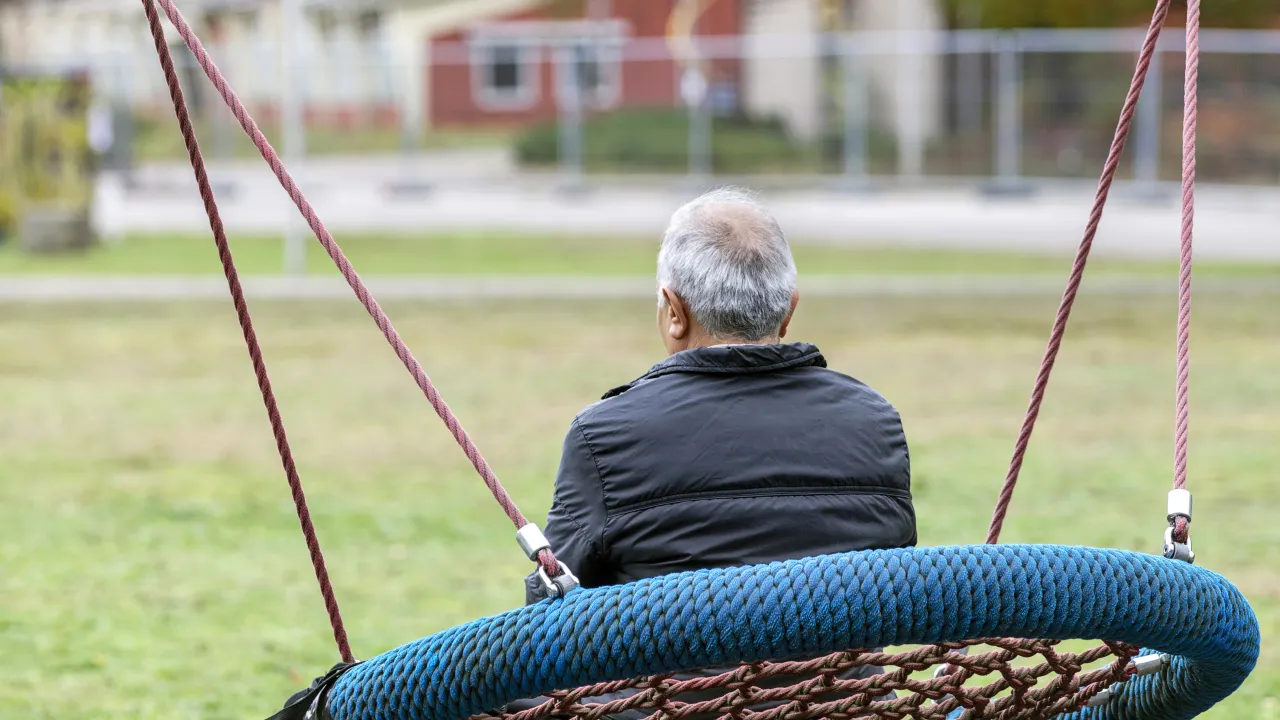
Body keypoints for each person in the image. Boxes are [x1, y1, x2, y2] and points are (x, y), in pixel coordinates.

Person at [507, 187, 916, 717]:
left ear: (674, 311)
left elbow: (551, 625)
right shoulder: (875, 421)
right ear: (788, 311)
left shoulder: (604, 435)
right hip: (840, 707)